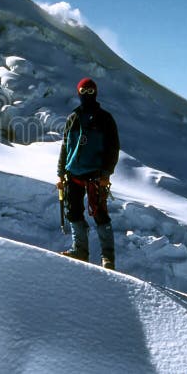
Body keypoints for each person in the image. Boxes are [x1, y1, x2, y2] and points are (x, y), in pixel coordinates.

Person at [56, 77, 120, 269]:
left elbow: (113, 148)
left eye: (90, 91)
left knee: (100, 214)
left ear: (96, 93)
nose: (87, 95)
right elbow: (65, 146)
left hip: (95, 175)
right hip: (72, 174)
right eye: (84, 92)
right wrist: (60, 173)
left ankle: (107, 258)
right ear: (78, 93)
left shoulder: (105, 119)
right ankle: (80, 250)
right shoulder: (73, 118)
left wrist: (106, 173)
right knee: (73, 212)